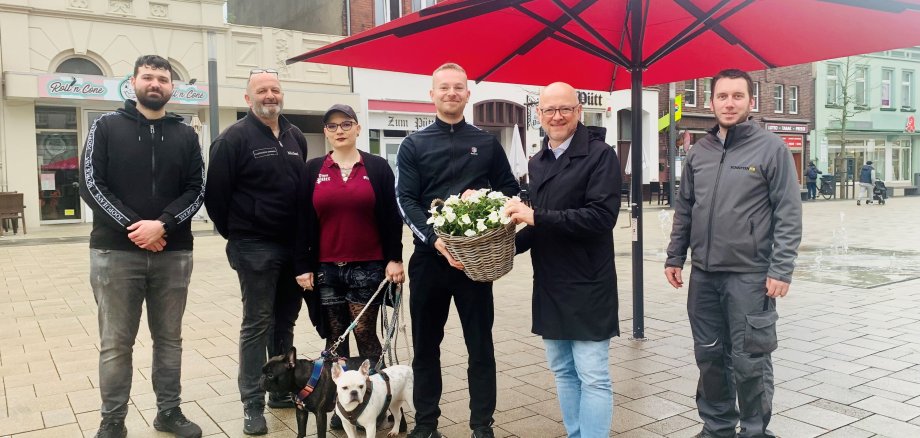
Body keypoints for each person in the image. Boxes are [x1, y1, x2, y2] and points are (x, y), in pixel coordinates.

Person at [664, 69, 802, 438]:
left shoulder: (771, 148)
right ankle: (717, 427)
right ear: (711, 102)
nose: (729, 103)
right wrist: (675, 256)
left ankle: (755, 431)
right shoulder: (699, 151)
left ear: (750, 102)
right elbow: (686, 208)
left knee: (749, 359)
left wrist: (781, 269)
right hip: (704, 275)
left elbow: (789, 212)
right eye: (722, 96)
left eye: (737, 96)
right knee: (709, 356)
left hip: (750, 275)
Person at [79, 55, 204, 438]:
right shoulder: (105, 126)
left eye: (162, 79)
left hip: (173, 252)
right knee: (116, 344)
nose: (155, 84)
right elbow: (90, 183)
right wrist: (135, 228)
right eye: (147, 77)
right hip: (115, 254)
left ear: (172, 87)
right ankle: (112, 422)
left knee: (169, 340)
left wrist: (163, 224)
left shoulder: (186, 135)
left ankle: (169, 411)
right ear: (132, 82)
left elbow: (197, 188)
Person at [395, 63, 519, 438]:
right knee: (426, 348)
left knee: (480, 346)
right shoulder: (413, 144)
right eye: (444, 87)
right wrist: (435, 240)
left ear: (468, 94)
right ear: (432, 95)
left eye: (458, 88)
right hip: (430, 262)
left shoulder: (486, 143)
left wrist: (486, 199)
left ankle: (482, 425)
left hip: (474, 266)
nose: (451, 93)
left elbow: (511, 192)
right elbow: (405, 199)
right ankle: (426, 424)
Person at [504, 82, 622, 438]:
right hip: (551, 283)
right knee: (563, 371)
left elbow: (601, 218)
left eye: (565, 109)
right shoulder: (537, 162)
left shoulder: (601, 156)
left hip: (589, 282)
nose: (557, 116)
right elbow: (538, 225)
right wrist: (498, 249)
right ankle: (576, 433)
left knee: (593, 375)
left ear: (579, 112)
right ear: (538, 115)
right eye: (549, 110)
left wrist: (535, 217)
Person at [204, 68, 310, 435]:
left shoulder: (296, 136)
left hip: (292, 248)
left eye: (275, 89)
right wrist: (239, 234)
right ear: (248, 99)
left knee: (285, 322)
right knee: (256, 323)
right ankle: (252, 402)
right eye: (262, 90)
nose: (270, 95)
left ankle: (279, 391)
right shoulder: (233, 139)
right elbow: (215, 197)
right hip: (254, 247)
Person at [295, 104, 404, 362]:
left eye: (346, 124)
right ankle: (339, 398)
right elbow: (301, 221)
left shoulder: (377, 167)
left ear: (357, 128)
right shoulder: (312, 170)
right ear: (325, 132)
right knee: (335, 337)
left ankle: (379, 394)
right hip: (326, 270)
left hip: (367, 267)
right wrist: (302, 265)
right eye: (332, 126)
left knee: (364, 333)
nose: (339, 130)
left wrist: (395, 259)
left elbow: (391, 217)